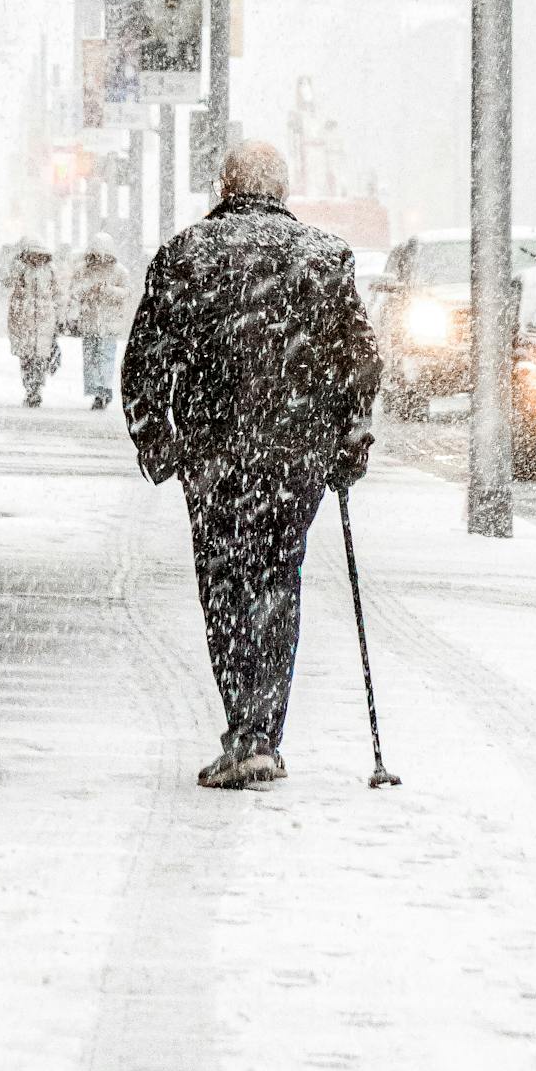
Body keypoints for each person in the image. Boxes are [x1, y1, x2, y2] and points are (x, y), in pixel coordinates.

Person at [121, 137, 381, 789]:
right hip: (297, 456)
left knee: (225, 583)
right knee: (276, 578)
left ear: (224, 186)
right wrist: (348, 444)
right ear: (284, 189)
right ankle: (262, 730)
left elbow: (145, 363)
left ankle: (247, 726)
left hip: (215, 458)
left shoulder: (186, 254)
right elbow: (361, 362)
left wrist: (162, 446)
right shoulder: (325, 258)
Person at [70, 232, 130, 409]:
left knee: (105, 357)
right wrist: (90, 290)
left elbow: (126, 292)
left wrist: (108, 290)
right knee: (91, 358)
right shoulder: (82, 270)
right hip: (90, 321)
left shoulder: (119, 271)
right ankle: (97, 391)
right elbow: (75, 291)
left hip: (109, 323)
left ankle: (104, 390)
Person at [6, 238, 62, 408]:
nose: (36, 258)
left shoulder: (50, 271)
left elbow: (57, 294)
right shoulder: (20, 270)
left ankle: (36, 389)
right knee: (27, 359)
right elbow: (9, 286)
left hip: (44, 322)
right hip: (25, 322)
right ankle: (30, 389)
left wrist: (58, 316)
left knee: (39, 359)